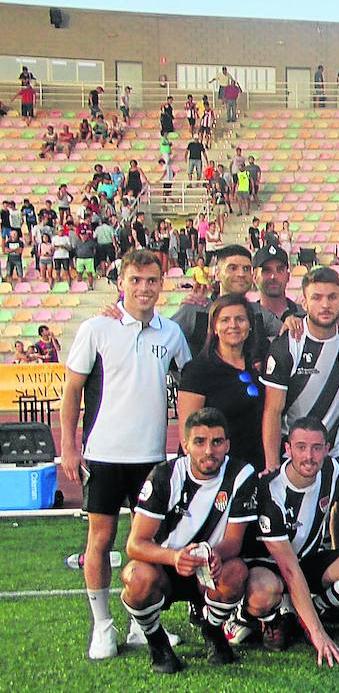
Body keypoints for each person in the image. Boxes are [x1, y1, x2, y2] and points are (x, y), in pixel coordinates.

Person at [60, 250, 192, 661]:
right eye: (136, 280)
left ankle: (141, 622)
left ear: (161, 284)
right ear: (122, 282)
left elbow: (190, 381)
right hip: (103, 453)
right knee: (100, 539)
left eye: (152, 281)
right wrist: (68, 444)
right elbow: (72, 390)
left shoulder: (171, 333)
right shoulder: (98, 328)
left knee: (145, 542)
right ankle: (102, 626)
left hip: (151, 457)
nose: (144, 288)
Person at [120, 408, 256, 674]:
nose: (209, 451)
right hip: (165, 566)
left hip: (207, 569)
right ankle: (156, 640)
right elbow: (135, 544)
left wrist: (215, 553)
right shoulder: (164, 476)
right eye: (200, 442)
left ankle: (213, 631)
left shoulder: (241, 475)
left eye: (217, 442)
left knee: (236, 571)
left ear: (227, 444)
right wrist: (175, 557)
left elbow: (233, 542)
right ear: (185, 445)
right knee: (136, 577)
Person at [237, 416, 339, 660]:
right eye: (301, 447)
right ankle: (267, 619)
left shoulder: (333, 471)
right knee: (263, 592)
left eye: (316, 448)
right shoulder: (270, 491)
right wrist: (318, 633)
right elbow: (289, 568)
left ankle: (312, 609)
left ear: (327, 449)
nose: (309, 456)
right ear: (288, 449)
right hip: (270, 567)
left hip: (307, 560)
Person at [260, 267, 339, 471]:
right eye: (316, 298)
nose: (325, 305)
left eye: (332, 297)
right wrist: (272, 465)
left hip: (331, 457)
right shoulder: (288, 344)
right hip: (291, 457)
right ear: (304, 302)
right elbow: (272, 411)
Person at [176, 294, 268, 472]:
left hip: (251, 469)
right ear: (214, 328)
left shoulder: (255, 368)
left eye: (240, 319)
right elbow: (187, 434)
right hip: (213, 472)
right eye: (225, 320)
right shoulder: (197, 370)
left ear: (250, 326)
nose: (233, 325)